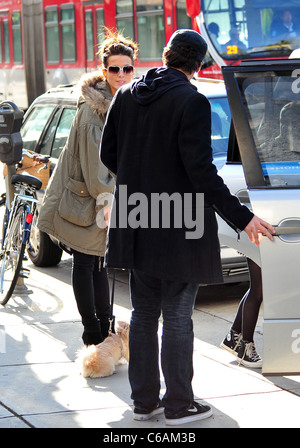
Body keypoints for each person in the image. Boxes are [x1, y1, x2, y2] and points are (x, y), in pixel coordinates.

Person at [100, 29, 274, 426]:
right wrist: (243, 217)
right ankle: (179, 405)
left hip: (136, 217)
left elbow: (108, 153)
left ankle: (144, 403)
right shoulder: (191, 100)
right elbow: (200, 171)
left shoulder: (126, 94)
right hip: (180, 223)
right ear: (199, 65)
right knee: (177, 315)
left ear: (166, 55)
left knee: (144, 313)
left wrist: (139, 184)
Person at [37, 30, 138, 346]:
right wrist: (111, 203)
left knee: (94, 263)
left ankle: (102, 326)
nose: (121, 75)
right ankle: (93, 330)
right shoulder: (95, 113)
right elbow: (98, 175)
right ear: (104, 70)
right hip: (89, 199)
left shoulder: (121, 103)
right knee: (86, 263)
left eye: (127, 69)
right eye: (114, 69)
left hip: (95, 197)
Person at [221, 258, 263, 368]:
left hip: (265, 242)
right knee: (259, 288)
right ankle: (245, 348)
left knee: (258, 286)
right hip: (259, 242)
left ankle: (234, 337)